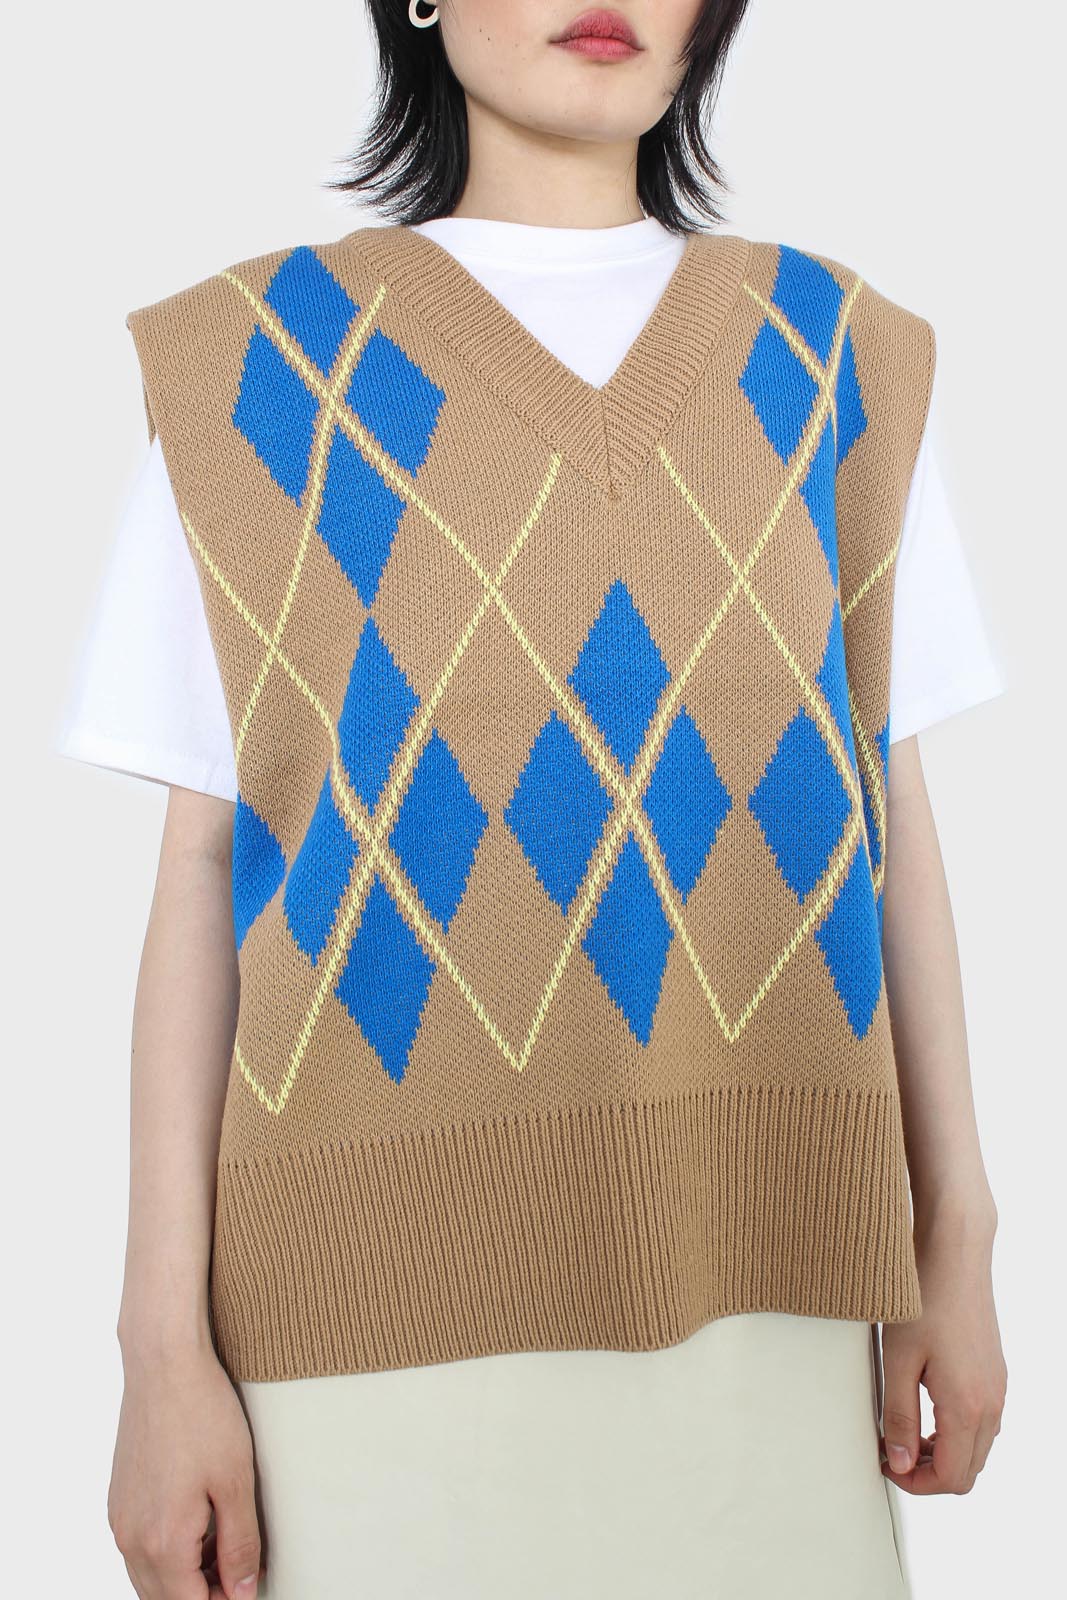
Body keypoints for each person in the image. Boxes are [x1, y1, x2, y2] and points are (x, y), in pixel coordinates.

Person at [54, 3, 1010, 1596]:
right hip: (356, 1340)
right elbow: (204, 871)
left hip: (776, 1305)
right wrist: (160, 1354)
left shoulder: (836, 355)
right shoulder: (250, 366)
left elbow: (892, 821)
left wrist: (953, 1243)